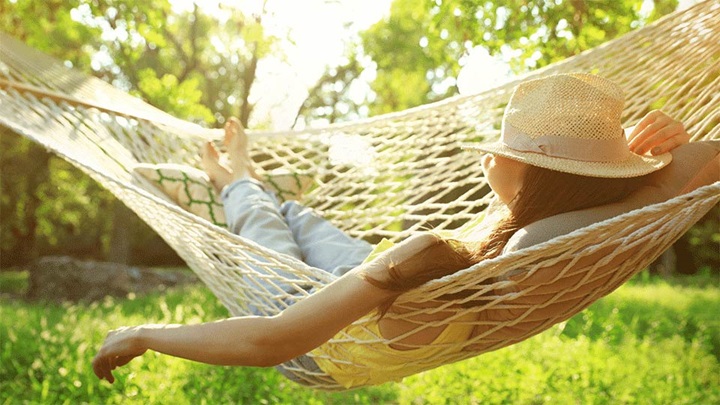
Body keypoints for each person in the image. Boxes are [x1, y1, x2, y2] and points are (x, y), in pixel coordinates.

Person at [93, 73, 715, 387]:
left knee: (261, 222)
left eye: (502, 146)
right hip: (389, 277)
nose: (489, 154)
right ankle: (266, 189)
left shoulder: (498, 250)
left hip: (311, 317)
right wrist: (638, 169)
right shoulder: (571, 230)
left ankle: (236, 180)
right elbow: (691, 167)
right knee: (304, 218)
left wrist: (145, 331)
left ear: (530, 171)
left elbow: (271, 343)